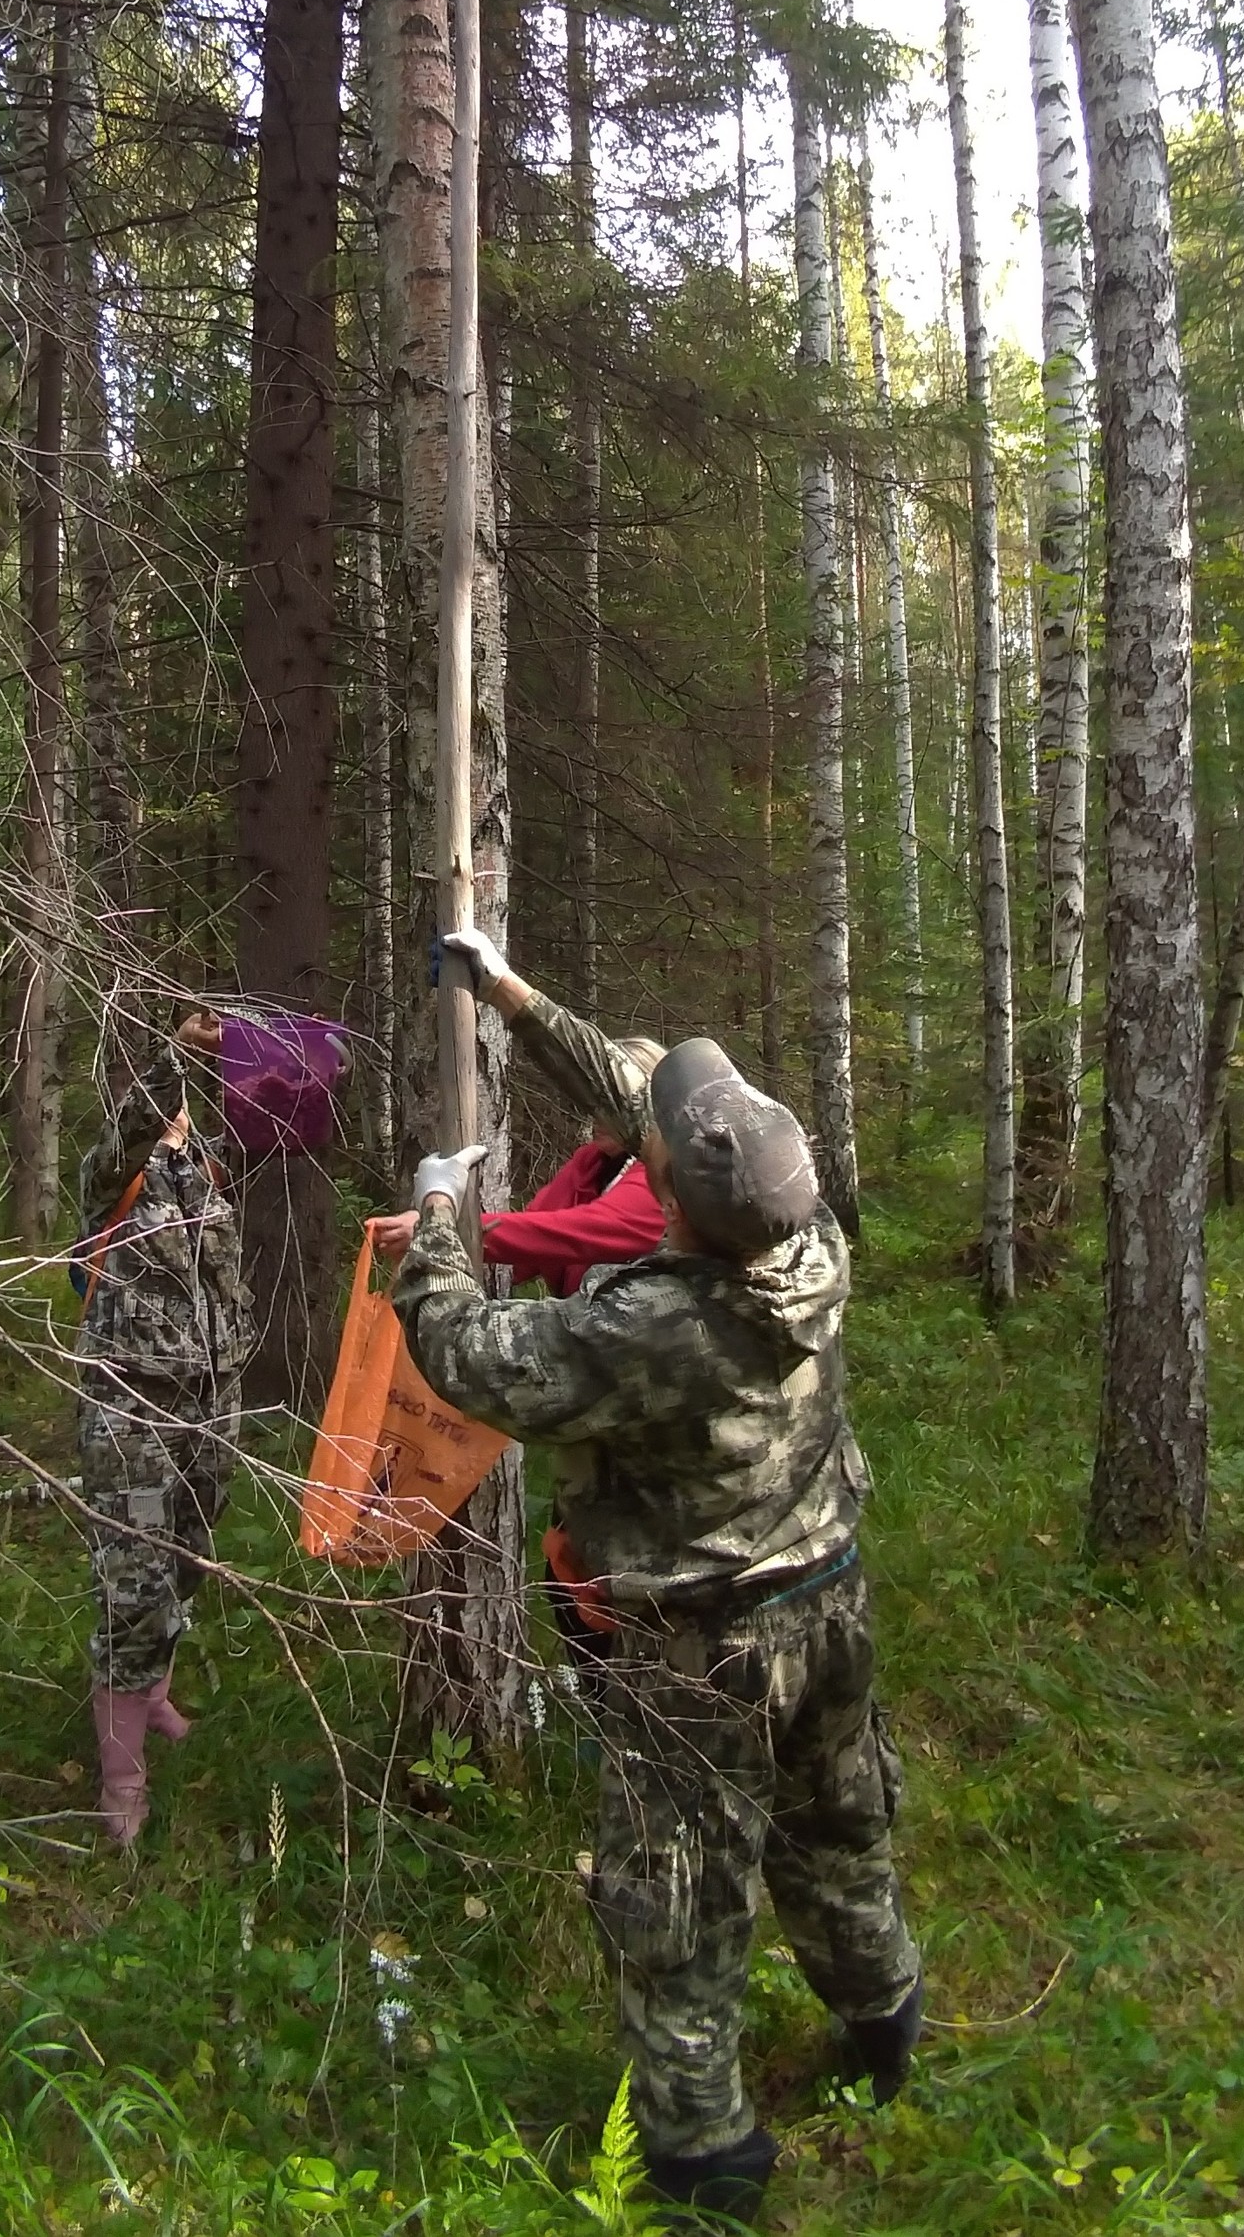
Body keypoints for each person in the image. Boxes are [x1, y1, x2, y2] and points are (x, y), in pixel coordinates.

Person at [391, 935, 922, 2230]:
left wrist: (443, 1216)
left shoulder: (660, 1331)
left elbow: (468, 1353)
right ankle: (883, 2020)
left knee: (680, 1898)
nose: (654, 1140)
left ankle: (701, 2157)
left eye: (664, 1158)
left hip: (703, 1654)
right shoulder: (807, 1249)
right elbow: (649, 1098)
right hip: (828, 1604)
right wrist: (513, 995)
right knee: (842, 1824)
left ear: (674, 1203)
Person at [374, 1042, 667, 1676]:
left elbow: (589, 1232)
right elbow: (540, 1231)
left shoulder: (663, 1181)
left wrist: (447, 1220)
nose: (590, 1112)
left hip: (643, 1412)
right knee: (574, 1579)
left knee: (626, 1605)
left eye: (606, 1098)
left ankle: (631, 1715)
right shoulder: (598, 1163)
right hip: (590, 1413)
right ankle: (599, 1717)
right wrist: (455, 1236)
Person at [74, 1008, 256, 1846]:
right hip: (131, 1405)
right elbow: (141, 1115)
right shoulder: (114, 1170)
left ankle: (151, 1694)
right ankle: (122, 1782)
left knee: (187, 1557)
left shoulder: (212, 1171)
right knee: (132, 1587)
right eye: (166, 1097)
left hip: (210, 1401)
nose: (178, 1112)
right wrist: (175, 1054)